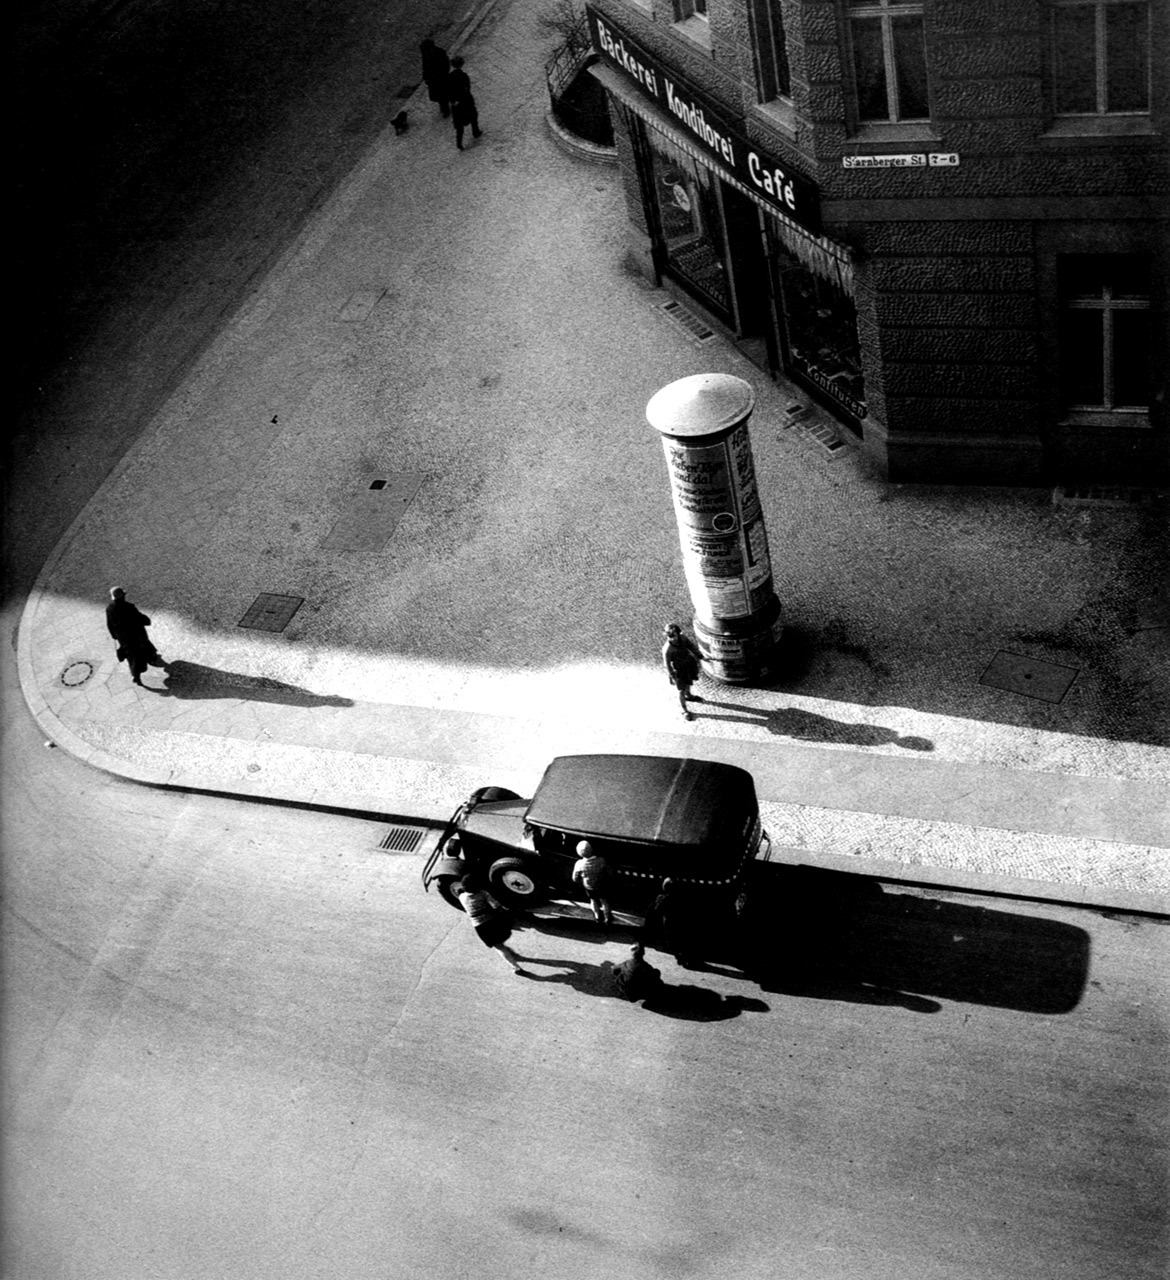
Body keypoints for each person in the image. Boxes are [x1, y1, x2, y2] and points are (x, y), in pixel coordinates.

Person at [457, 879, 526, 974]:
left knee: (498, 947)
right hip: (492, 921)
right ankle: (512, 957)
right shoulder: (482, 893)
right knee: (501, 942)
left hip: (480, 926)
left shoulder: (461, 897)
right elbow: (496, 905)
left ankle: (516, 967)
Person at [105, 587, 166, 686]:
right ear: (123, 596)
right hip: (137, 635)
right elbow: (138, 617)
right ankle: (151, 659)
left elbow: (109, 624)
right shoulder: (129, 607)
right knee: (143, 648)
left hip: (123, 638)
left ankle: (135, 675)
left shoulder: (109, 608)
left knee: (132, 656)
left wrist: (114, 636)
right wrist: (146, 620)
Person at [662, 622, 703, 720]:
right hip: (678, 670)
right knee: (681, 690)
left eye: (674, 636)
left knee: (689, 682)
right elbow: (667, 664)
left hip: (688, 664)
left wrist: (700, 656)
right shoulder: (667, 649)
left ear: (678, 633)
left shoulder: (683, 638)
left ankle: (688, 695)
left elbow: (691, 646)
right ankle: (684, 710)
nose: (672, 639)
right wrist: (672, 676)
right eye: (670, 636)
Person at [572, 840, 612, 925]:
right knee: (604, 901)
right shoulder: (601, 860)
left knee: (593, 900)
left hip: (589, 887)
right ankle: (607, 917)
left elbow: (575, 878)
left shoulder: (579, 864)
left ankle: (597, 916)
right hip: (601, 885)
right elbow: (609, 872)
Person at [447, 56, 482, 150]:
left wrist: (453, 101)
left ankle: (459, 143)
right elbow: (467, 89)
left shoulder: (449, 77)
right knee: (473, 115)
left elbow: (447, 91)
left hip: (456, 104)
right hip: (465, 102)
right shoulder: (464, 76)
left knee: (459, 125)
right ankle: (475, 131)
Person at [419, 39, 451, 118]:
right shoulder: (425, 53)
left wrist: (441, 73)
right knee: (436, 95)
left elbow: (446, 64)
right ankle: (444, 105)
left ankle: (445, 109)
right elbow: (425, 66)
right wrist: (426, 76)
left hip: (440, 77)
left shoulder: (439, 53)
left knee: (442, 94)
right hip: (432, 78)